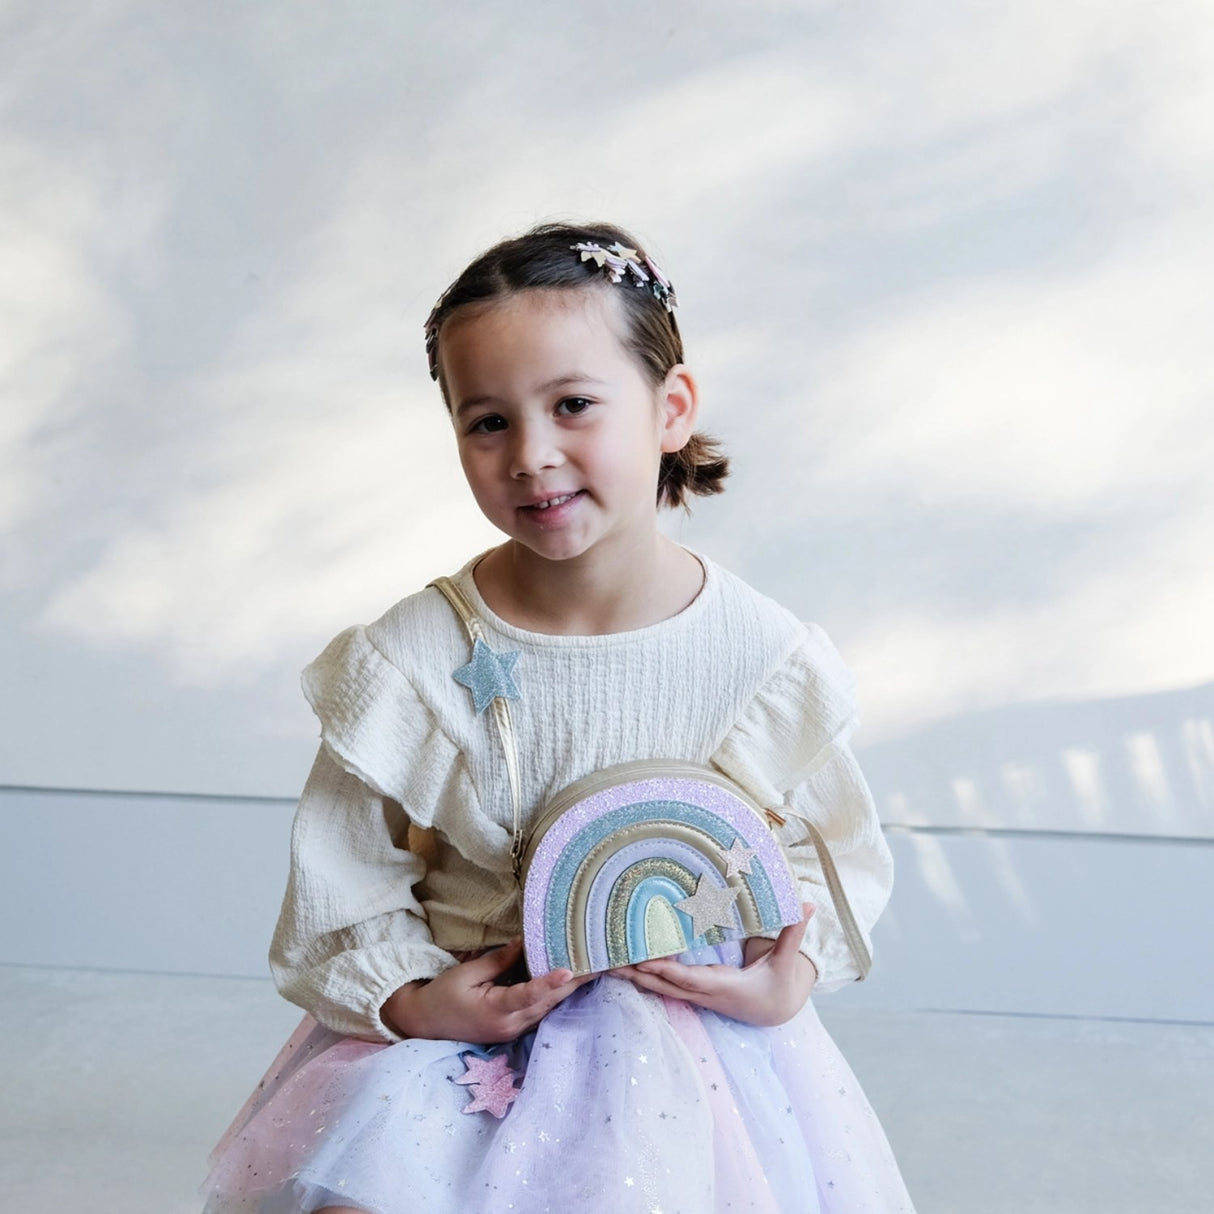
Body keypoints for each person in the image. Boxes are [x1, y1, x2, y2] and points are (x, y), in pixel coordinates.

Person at [201, 222, 916, 1214]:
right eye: (487, 421)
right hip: (465, 1030)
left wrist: (782, 977)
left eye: (573, 404)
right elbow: (342, 874)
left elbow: (826, 857)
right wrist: (414, 998)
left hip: (683, 1044)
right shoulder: (411, 661)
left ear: (670, 409)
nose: (532, 455)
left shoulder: (760, 658)